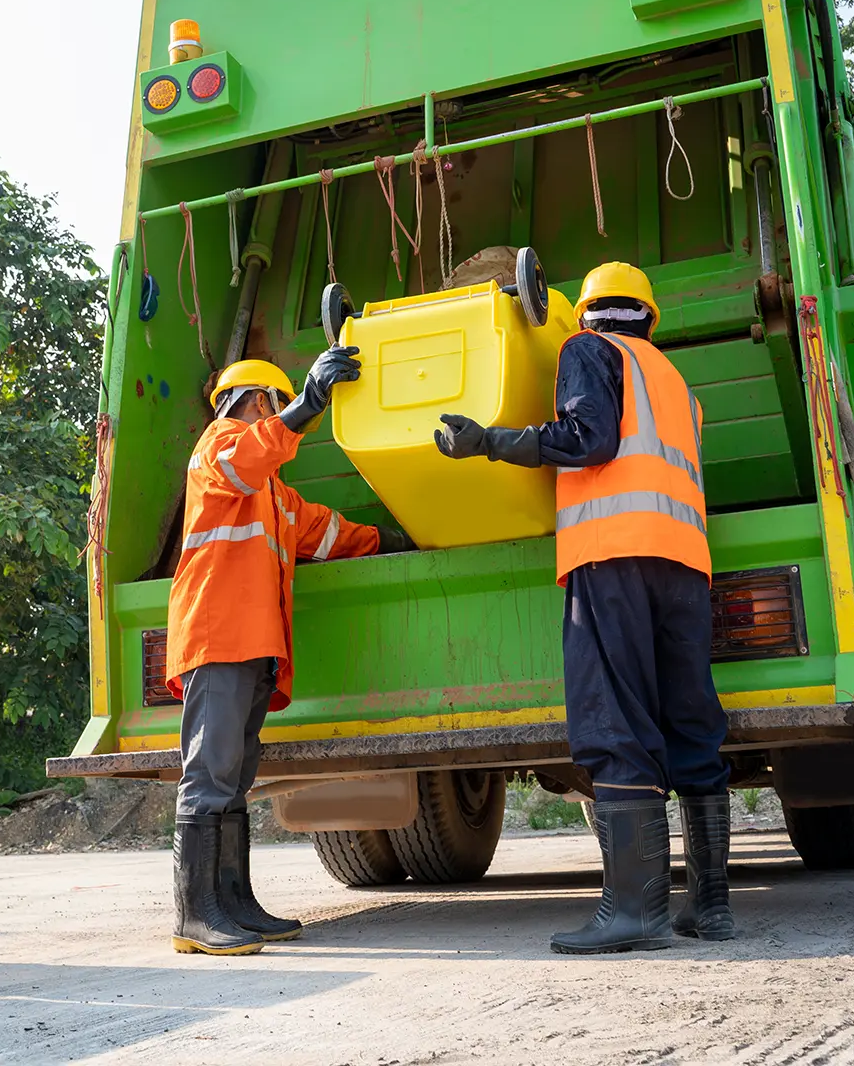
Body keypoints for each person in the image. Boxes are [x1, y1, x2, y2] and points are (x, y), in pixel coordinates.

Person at [433, 261, 731, 954]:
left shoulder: (587, 350)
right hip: (683, 563)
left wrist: (490, 443)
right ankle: (710, 907)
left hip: (613, 554)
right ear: (650, 316)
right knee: (691, 722)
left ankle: (635, 911)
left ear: (586, 314)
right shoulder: (675, 382)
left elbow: (587, 440)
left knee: (617, 720)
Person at [165, 351, 413, 955]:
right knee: (211, 774)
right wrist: (308, 405)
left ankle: (233, 902)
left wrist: (392, 539)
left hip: (250, 645)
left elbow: (325, 532)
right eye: (277, 406)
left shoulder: (273, 496)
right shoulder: (218, 448)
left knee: (235, 775)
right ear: (259, 402)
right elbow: (250, 458)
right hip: (219, 637)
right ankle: (196, 916)